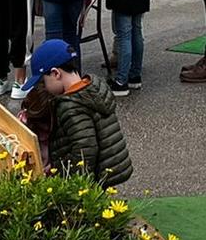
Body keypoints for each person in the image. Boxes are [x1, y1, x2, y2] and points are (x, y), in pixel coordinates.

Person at [27, 39, 132, 186]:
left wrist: (74, 186)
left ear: (56, 73)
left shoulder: (71, 106)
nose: (44, 87)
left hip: (92, 177)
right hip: (111, 166)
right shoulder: (93, 88)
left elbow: (85, 152)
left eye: (43, 82)